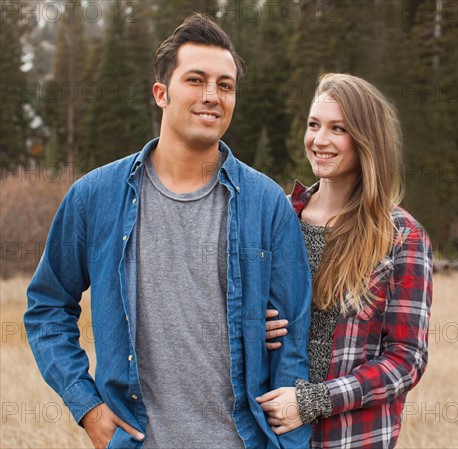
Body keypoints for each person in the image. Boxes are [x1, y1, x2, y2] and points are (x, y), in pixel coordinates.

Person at [24, 13, 312, 449]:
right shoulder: (94, 197)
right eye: (195, 80)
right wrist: (87, 406)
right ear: (161, 93)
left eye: (225, 85)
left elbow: (292, 342)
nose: (212, 96)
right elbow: (47, 307)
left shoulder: (267, 204)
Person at [257, 73, 433, 448]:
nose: (319, 140)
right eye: (313, 125)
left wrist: (313, 401)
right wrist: (253, 328)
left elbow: (406, 359)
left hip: (352, 438)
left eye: (338, 128)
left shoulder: (401, 236)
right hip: (271, 433)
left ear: (366, 140)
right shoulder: (278, 221)